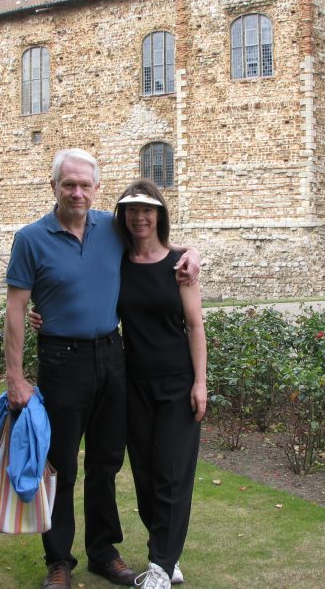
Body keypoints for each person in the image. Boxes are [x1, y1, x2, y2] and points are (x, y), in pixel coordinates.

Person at [4, 149, 199, 589]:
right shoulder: (30, 239)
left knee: (107, 462)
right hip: (61, 359)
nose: (77, 192)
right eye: (68, 184)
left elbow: (158, 244)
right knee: (61, 465)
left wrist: (194, 251)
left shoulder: (112, 228)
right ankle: (59, 562)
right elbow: (15, 310)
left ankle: (103, 553)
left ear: (96, 189)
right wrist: (15, 376)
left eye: (84, 185)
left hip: (113, 357)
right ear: (52, 186)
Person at [114, 180, 207, 589]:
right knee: (145, 476)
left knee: (172, 473)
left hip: (176, 383)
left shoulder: (181, 263)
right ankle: (166, 552)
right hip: (133, 382)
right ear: (123, 215)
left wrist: (200, 382)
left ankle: (159, 567)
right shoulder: (116, 263)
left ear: (159, 215)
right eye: (132, 210)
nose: (140, 217)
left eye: (147, 209)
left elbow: (195, 324)